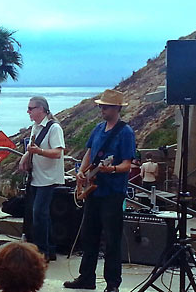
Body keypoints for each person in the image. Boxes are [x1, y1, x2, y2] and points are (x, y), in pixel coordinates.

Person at [64, 89, 135, 292]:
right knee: (89, 235)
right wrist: (81, 172)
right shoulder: (97, 128)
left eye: (105, 106)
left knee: (112, 238)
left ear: (116, 108)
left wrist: (110, 169)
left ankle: (113, 283)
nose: (101, 109)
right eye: (101, 106)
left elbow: (127, 165)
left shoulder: (125, 132)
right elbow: (89, 153)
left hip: (112, 192)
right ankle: (87, 277)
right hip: (94, 190)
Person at [18, 96, 65, 261]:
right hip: (37, 176)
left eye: (31, 108)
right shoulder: (35, 127)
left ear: (41, 109)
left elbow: (58, 152)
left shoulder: (54, 128)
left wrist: (39, 152)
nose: (28, 111)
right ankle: (49, 248)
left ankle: (42, 251)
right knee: (41, 214)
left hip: (49, 178)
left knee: (39, 213)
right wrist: (25, 157)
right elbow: (33, 147)